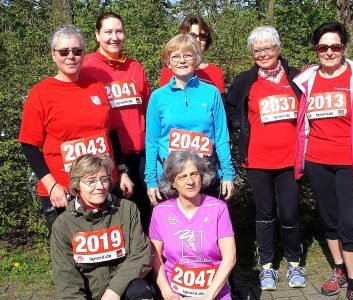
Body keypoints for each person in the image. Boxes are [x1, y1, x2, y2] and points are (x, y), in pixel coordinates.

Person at [293, 22, 353, 300]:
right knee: (330, 219)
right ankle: (339, 269)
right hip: (318, 162)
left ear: (344, 48)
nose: (329, 52)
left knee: (351, 220)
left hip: (351, 163)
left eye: (335, 46)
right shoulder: (307, 79)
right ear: (316, 49)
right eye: (323, 47)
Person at [18, 24, 133, 233]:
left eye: (77, 51)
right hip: (63, 191)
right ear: (53, 55)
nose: (70, 56)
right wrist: (52, 185)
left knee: (111, 251)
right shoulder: (40, 93)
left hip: (103, 186)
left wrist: (122, 171)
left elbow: (112, 133)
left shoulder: (96, 86)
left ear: (83, 54)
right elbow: (29, 146)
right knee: (73, 257)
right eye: (64, 51)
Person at [226, 26, 305, 290]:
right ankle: (267, 266)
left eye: (268, 48)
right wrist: (240, 131)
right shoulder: (244, 81)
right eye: (257, 50)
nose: (263, 54)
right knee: (264, 213)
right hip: (258, 160)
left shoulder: (298, 78)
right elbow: (230, 109)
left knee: (290, 213)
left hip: (290, 159)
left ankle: (295, 263)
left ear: (279, 48)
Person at [81, 12, 152, 231]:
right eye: (108, 32)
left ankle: (147, 263)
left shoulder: (135, 67)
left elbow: (148, 109)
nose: (114, 37)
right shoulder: (87, 67)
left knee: (144, 214)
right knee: (112, 217)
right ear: (97, 35)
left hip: (139, 155)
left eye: (119, 31)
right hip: (106, 157)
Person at [145, 33, 235, 205]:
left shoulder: (212, 93)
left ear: (196, 59)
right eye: (176, 57)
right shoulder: (158, 97)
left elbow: (222, 137)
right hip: (170, 178)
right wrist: (150, 180)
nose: (182, 61)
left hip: (206, 176)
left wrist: (228, 174)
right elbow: (152, 141)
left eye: (187, 55)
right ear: (168, 62)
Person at [50, 154, 153, 300]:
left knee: (141, 290)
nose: (100, 186)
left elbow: (141, 254)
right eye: (91, 181)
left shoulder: (127, 209)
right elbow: (66, 280)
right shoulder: (63, 224)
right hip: (87, 294)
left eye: (104, 179)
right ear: (77, 184)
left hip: (123, 290)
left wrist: (114, 291)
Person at [149, 150, 236, 300]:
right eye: (182, 177)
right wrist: (166, 292)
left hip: (213, 293)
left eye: (194, 174)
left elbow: (230, 257)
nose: (190, 181)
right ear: (172, 182)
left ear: (201, 177)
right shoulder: (160, 212)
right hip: (174, 293)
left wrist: (207, 297)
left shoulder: (218, 208)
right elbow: (155, 258)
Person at [158, 15, 225, 99]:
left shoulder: (215, 72)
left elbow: (219, 106)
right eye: (192, 35)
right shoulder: (170, 69)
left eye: (202, 36)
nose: (197, 40)